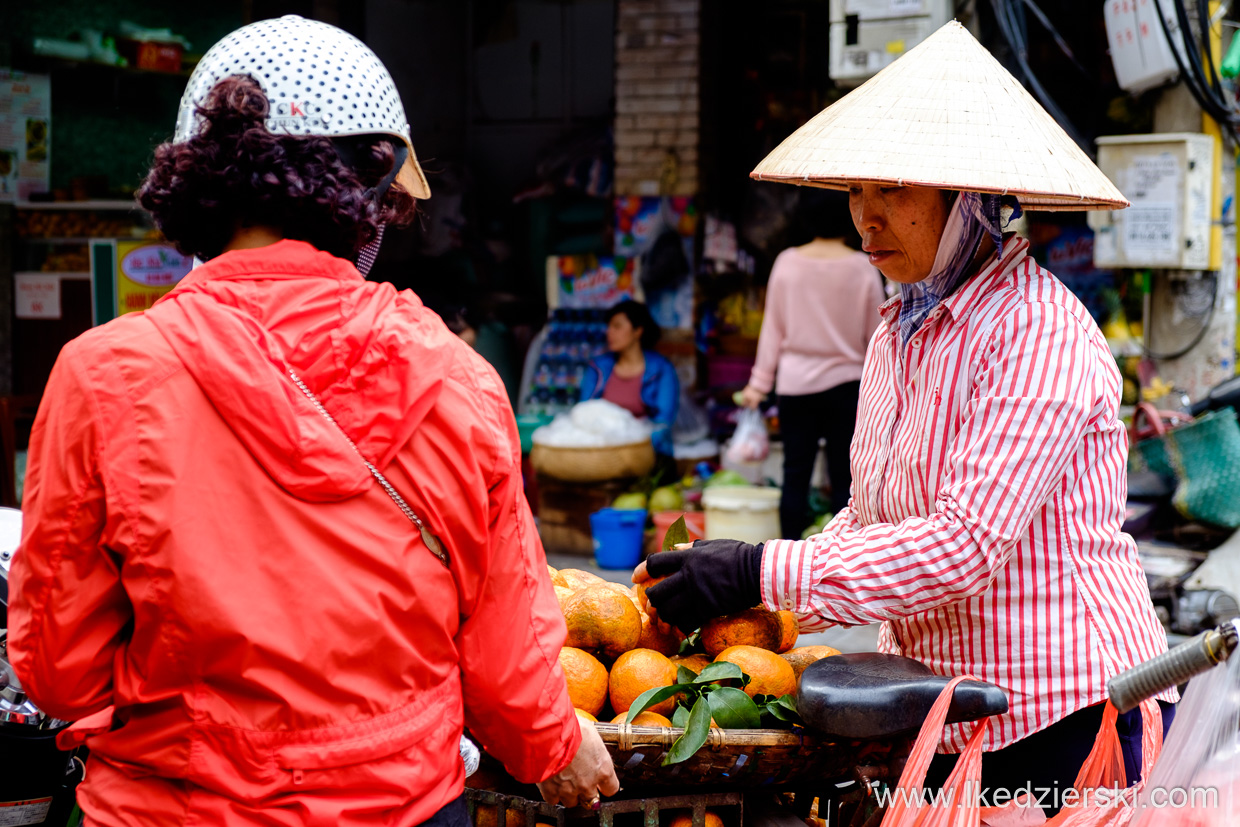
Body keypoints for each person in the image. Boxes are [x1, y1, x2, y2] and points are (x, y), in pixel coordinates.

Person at [8, 16, 617, 827]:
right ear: (371, 192)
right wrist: (550, 744)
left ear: (197, 182)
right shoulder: (458, 380)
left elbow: (58, 669)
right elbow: (507, 646)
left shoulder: (101, 375)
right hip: (402, 806)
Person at [636, 22, 1173, 815]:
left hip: (1059, 709)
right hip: (938, 711)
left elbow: (963, 542)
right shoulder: (899, 328)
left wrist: (759, 566)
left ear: (970, 199)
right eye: (856, 190)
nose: (866, 217)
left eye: (893, 189)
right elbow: (875, 513)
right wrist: (756, 604)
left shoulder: (1039, 331)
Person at [740, 190, 886, 537]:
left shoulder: (787, 262)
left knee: (795, 476)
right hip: (848, 387)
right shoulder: (862, 266)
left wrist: (758, 384)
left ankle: (782, 569)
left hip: (795, 387)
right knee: (845, 480)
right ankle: (837, 570)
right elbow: (878, 335)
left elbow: (772, 329)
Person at [580, 299, 679, 456]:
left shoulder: (662, 369)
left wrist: (630, 445)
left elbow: (663, 421)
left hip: (646, 453)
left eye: (617, 326)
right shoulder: (597, 368)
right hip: (600, 454)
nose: (609, 332)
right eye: (609, 326)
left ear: (637, 331)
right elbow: (583, 411)